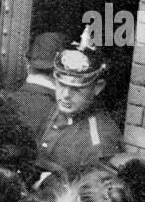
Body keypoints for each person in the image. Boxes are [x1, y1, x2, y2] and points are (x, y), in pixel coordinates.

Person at [36, 44, 123, 173]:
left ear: (98, 87)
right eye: (61, 84)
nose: (65, 95)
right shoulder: (61, 108)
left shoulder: (99, 142)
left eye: (76, 89)